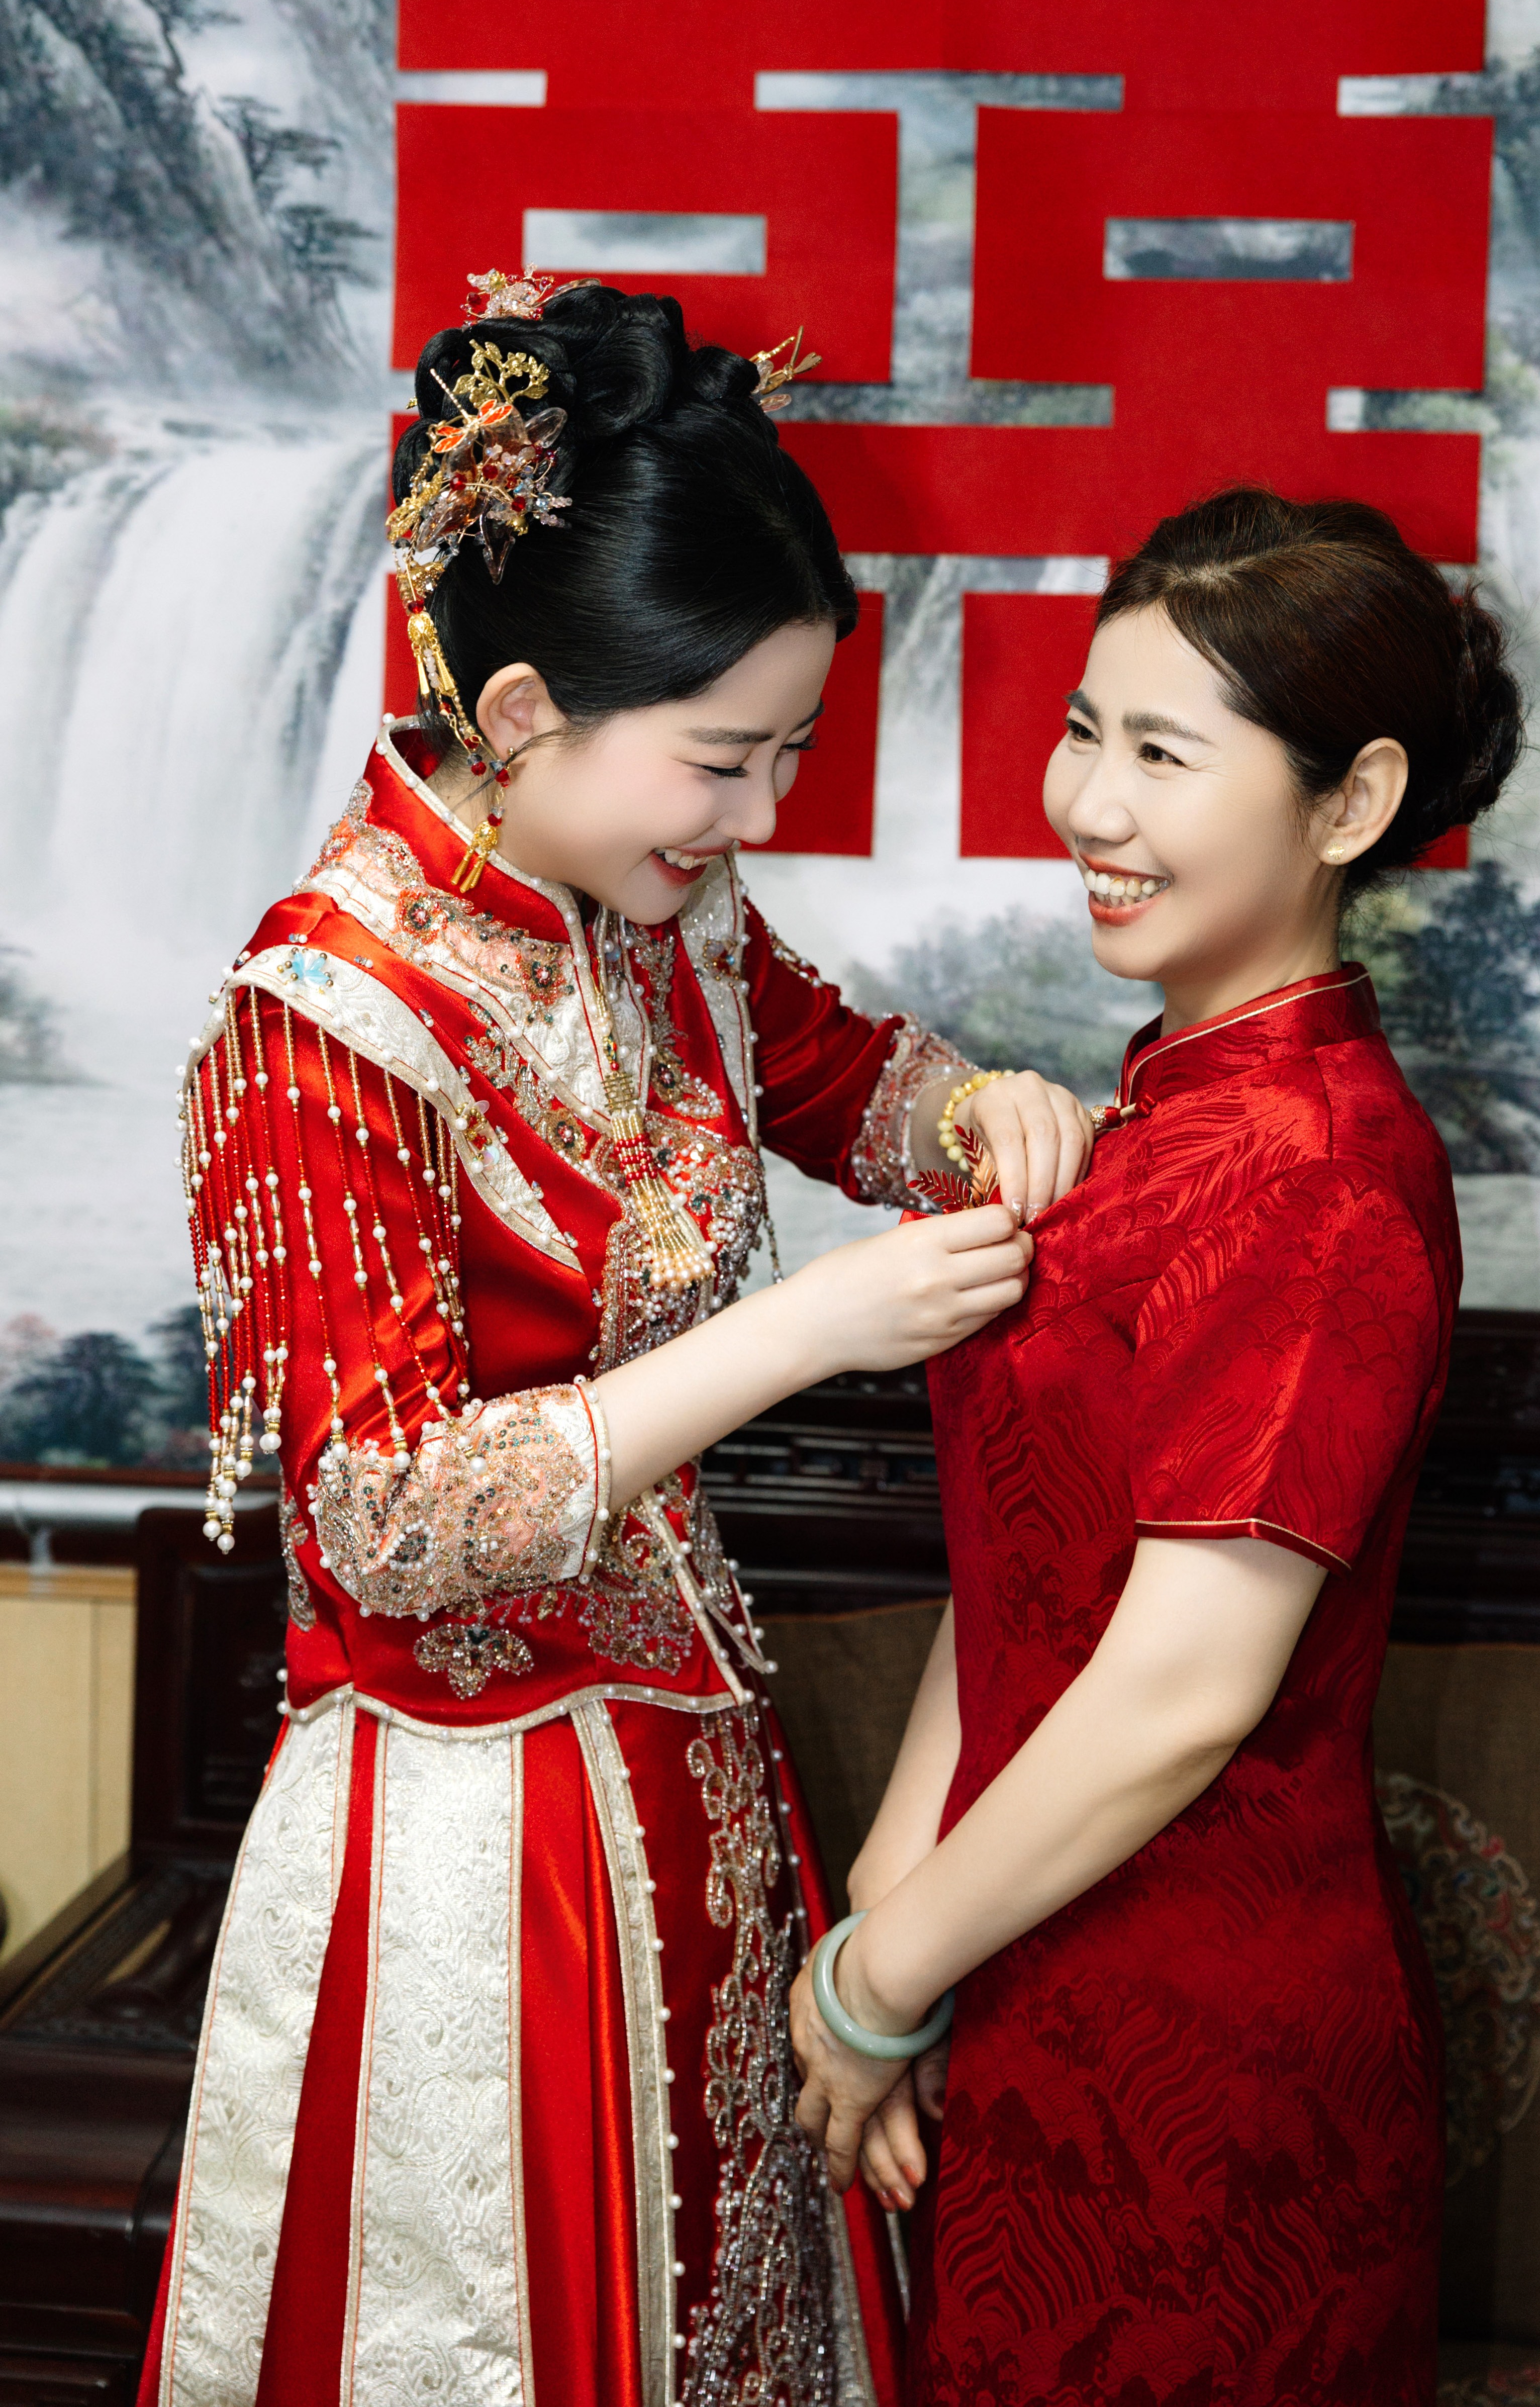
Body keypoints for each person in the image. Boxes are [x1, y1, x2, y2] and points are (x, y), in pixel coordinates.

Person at [142, 275, 1093, 2407]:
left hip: (690, 1771)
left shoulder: (659, 914)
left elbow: (840, 1073)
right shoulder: (329, 1022)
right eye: (722, 758)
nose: (755, 813)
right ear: (513, 711)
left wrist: (982, 1114)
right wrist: (809, 1327)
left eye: (787, 754)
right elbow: (389, 1518)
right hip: (471, 1839)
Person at [788, 485, 1526, 2407]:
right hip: (1024, 1973)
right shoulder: (1161, 1119)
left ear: (1354, 804)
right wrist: (894, 1919)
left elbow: (1186, 1686)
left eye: (1164, 756)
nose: (1091, 808)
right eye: (1081, 732)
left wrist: (879, 1977)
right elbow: (1030, 1566)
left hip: (1209, 2073)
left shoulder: (1320, 1171)